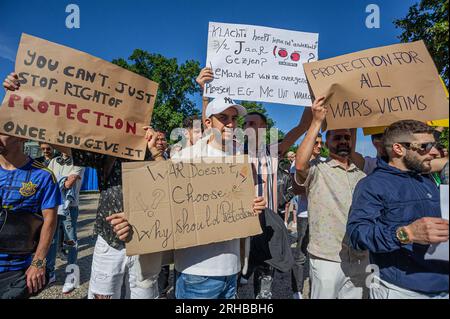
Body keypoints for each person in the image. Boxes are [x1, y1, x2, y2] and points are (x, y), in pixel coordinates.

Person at [3, 71, 164, 299]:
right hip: (109, 238)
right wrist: (18, 97)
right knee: (102, 295)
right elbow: (57, 140)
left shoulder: (158, 156)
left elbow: (170, 197)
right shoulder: (106, 153)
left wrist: (157, 154)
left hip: (147, 242)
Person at [109, 96, 267, 299]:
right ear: (208, 122)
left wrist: (254, 205)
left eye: (234, 118)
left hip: (231, 270)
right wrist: (131, 219)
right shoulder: (185, 157)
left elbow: (242, 207)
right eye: (223, 117)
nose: (230, 123)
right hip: (197, 271)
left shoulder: (240, 161)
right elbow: (156, 202)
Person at [347, 120, 449, 299]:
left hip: (442, 282)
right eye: (425, 146)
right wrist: (406, 233)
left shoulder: (427, 179)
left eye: (433, 145)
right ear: (398, 149)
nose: (433, 152)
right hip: (402, 289)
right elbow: (357, 235)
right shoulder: (371, 185)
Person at [294, 96, 369, 299]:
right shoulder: (319, 170)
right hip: (327, 256)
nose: (343, 141)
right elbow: (300, 165)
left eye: (347, 137)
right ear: (327, 142)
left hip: (359, 257)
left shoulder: (361, 174)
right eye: (337, 137)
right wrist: (317, 121)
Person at [241, 108, 311, 299]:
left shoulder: (272, 152)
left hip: (268, 222)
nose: (247, 127)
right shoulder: (235, 153)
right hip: (241, 223)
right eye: (245, 124)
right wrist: (205, 99)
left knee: (265, 277)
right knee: (237, 274)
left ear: (264, 128)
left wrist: (311, 100)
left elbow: (302, 126)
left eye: (253, 124)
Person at [0, 136, 61, 299]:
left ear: (21, 136)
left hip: (16, 269)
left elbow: (50, 221)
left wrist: (38, 262)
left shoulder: (43, 176)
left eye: (1, 132)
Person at [46, 151, 85, 293]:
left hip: (70, 207)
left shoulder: (79, 161)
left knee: (70, 240)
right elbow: (46, 180)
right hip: (53, 205)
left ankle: (72, 276)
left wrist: (58, 181)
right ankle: (49, 273)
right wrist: (60, 181)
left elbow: (68, 184)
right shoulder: (54, 160)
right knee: (50, 239)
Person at [289, 132, 323, 299]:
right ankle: (297, 291)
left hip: (322, 216)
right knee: (301, 255)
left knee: (320, 254)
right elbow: (297, 189)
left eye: (320, 142)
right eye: (315, 142)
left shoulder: (325, 162)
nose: (319, 146)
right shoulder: (297, 163)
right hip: (305, 214)